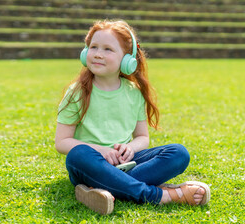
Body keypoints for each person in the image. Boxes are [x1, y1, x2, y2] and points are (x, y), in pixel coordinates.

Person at [54, 20, 210, 215]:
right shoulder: (77, 92)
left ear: (128, 59)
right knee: (78, 155)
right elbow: (62, 142)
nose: (98, 54)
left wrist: (130, 148)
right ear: (85, 53)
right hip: (91, 164)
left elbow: (142, 137)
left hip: (126, 162)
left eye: (108, 49)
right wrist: (102, 151)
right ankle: (161, 195)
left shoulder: (134, 92)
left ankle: (106, 188)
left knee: (178, 153)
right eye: (93, 47)